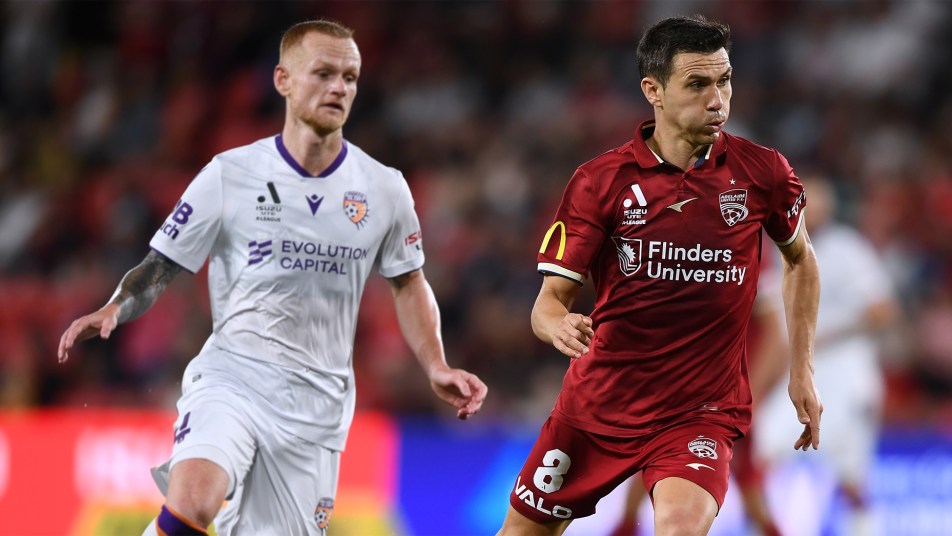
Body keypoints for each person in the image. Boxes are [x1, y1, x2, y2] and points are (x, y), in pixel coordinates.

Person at [57, 19, 487, 536]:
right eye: (324, 73)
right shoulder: (229, 174)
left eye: (350, 77)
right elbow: (159, 267)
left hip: (317, 407)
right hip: (233, 377)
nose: (339, 88)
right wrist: (115, 306)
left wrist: (435, 363)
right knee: (192, 499)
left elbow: (408, 281)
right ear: (283, 80)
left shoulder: (384, 189)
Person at [497, 15, 821, 536]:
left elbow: (800, 260)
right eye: (697, 84)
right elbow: (547, 303)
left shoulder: (763, 173)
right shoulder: (599, 182)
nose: (717, 99)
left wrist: (801, 369)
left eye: (725, 81)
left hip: (701, 413)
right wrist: (558, 325)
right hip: (598, 408)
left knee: (679, 527)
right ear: (654, 90)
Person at [608, 247, 787, 536]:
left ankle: (625, 527)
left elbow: (775, 337)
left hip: (726, 394)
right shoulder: (679, 245)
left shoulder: (746, 249)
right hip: (688, 388)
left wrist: (751, 393)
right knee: (742, 479)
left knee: (746, 480)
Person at [755, 175, 897, 536]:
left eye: (815, 205)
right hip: (802, 371)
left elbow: (882, 310)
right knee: (763, 452)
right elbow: (775, 333)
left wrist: (822, 336)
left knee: (850, 477)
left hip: (847, 374)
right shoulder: (776, 252)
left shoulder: (847, 248)